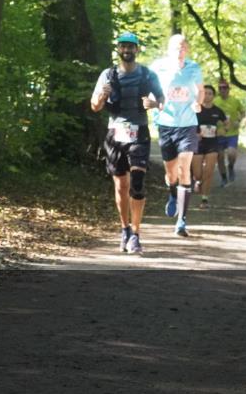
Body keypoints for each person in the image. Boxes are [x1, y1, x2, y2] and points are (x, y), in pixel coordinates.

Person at [91, 32, 165, 255]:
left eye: (131, 47)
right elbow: (94, 106)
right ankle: (124, 229)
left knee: (138, 183)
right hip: (115, 133)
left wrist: (154, 103)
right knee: (121, 186)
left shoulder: (147, 75)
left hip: (139, 132)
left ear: (137, 50)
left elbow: (162, 100)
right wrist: (103, 97)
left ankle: (136, 234)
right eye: (123, 46)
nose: (127, 50)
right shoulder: (108, 74)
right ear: (118, 49)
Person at [150, 34, 205, 237]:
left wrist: (197, 102)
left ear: (187, 49)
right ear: (169, 50)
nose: (180, 51)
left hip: (188, 124)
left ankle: (182, 221)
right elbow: (149, 92)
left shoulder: (194, 68)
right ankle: (172, 194)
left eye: (183, 47)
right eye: (176, 47)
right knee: (171, 174)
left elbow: (200, 91)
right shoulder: (158, 67)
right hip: (166, 124)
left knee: (184, 168)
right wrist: (154, 103)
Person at [191, 85, 227, 208]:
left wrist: (223, 130)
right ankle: (197, 180)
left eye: (210, 93)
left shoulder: (218, 111)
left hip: (212, 143)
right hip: (197, 144)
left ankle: (204, 199)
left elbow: (227, 124)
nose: (207, 96)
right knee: (197, 173)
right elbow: (186, 125)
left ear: (213, 96)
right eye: (205, 93)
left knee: (209, 170)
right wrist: (195, 134)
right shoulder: (195, 110)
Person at [213, 79, 245, 185]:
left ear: (228, 89)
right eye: (220, 88)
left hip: (232, 132)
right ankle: (223, 177)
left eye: (225, 87)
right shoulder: (215, 101)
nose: (223, 90)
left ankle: (231, 167)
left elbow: (243, 112)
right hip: (219, 133)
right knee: (220, 156)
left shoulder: (235, 101)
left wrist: (238, 120)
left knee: (231, 153)